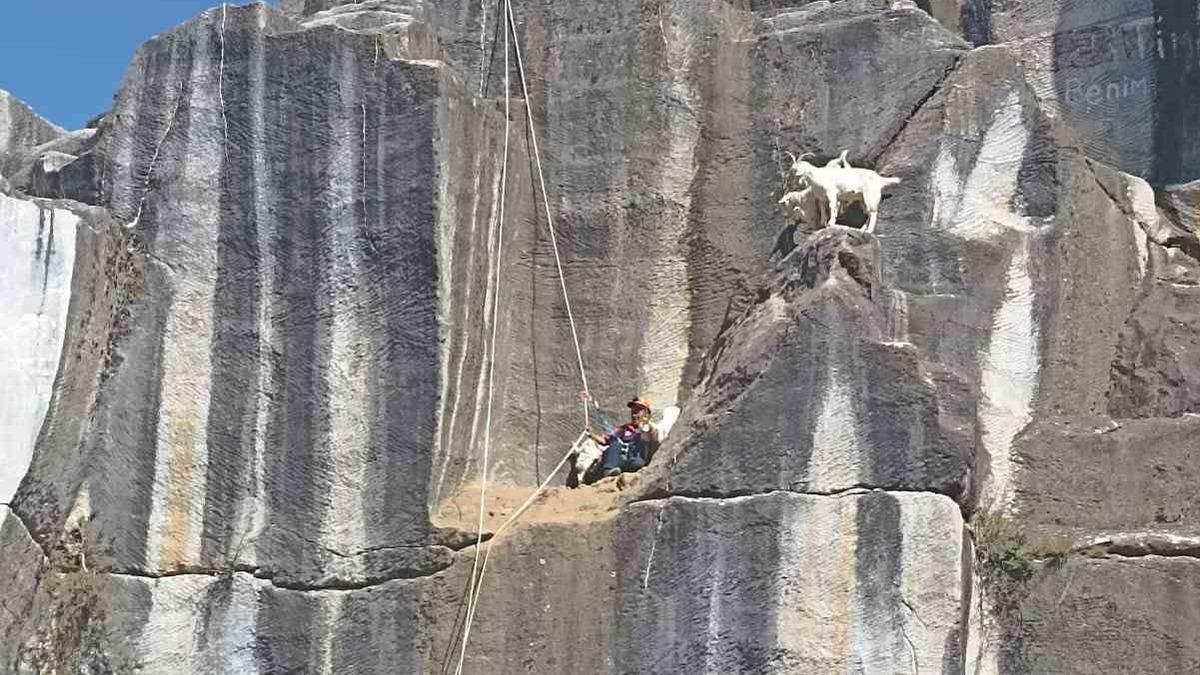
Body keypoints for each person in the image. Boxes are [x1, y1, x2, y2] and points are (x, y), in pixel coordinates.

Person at [587, 397, 661, 478]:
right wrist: (591, 434)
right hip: (621, 460)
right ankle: (609, 471)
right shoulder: (624, 429)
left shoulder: (651, 429)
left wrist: (644, 424)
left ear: (646, 413)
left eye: (638, 411)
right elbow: (605, 440)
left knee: (639, 449)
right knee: (615, 443)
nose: (634, 414)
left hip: (636, 461)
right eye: (633, 411)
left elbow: (654, 439)